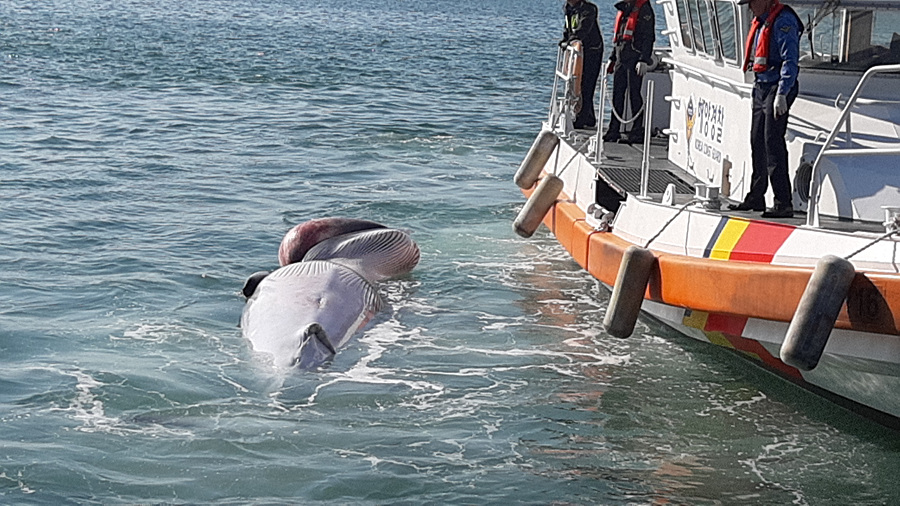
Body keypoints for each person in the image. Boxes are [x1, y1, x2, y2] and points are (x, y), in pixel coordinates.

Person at [728, 0, 802, 218]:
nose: (750, 7)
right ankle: (756, 196)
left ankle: (783, 202)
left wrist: (782, 93)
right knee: (757, 140)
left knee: (773, 141)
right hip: (761, 86)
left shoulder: (783, 21)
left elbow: (790, 59)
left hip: (776, 87)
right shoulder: (761, 21)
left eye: (751, 2)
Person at [604, 0, 655, 143]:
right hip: (621, 57)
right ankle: (614, 130)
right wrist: (613, 57)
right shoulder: (625, 8)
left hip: (635, 58)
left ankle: (637, 131)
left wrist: (644, 59)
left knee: (634, 94)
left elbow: (648, 37)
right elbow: (619, 36)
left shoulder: (644, 9)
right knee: (617, 94)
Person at [562, 0, 604, 129]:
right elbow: (569, 26)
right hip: (578, 50)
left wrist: (574, 39)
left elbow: (584, 27)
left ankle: (583, 117)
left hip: (592, 50)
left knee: (587, 84)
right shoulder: (569, 8)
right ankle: (589, 117)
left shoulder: (589, 9)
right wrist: (566, 39)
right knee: (577, 83)